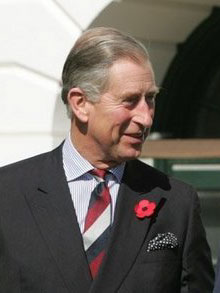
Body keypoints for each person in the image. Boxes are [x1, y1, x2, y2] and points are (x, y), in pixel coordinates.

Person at [0, 27, 214, 292]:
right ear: (80, 104)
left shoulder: (176, 202)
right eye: (130, 101)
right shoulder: (8, 194)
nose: (145, 117)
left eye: (151, 99)